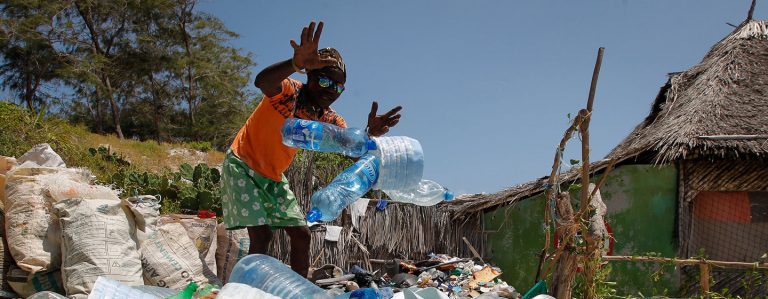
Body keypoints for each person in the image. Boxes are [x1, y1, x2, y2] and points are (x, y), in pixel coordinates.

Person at [221, 21, 402, 277]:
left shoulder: (328, 118)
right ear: (310, 76)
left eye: (338, 87)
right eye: (326, 83)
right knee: (261, 236)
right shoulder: (288, 91)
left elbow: (352, 145)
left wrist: (369, 132)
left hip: (273, 177)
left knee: (302, 235)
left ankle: (299, 291)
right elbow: (262, 81)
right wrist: (294, 64)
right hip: (243, 165)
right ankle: (246, 290)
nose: (332, 92)